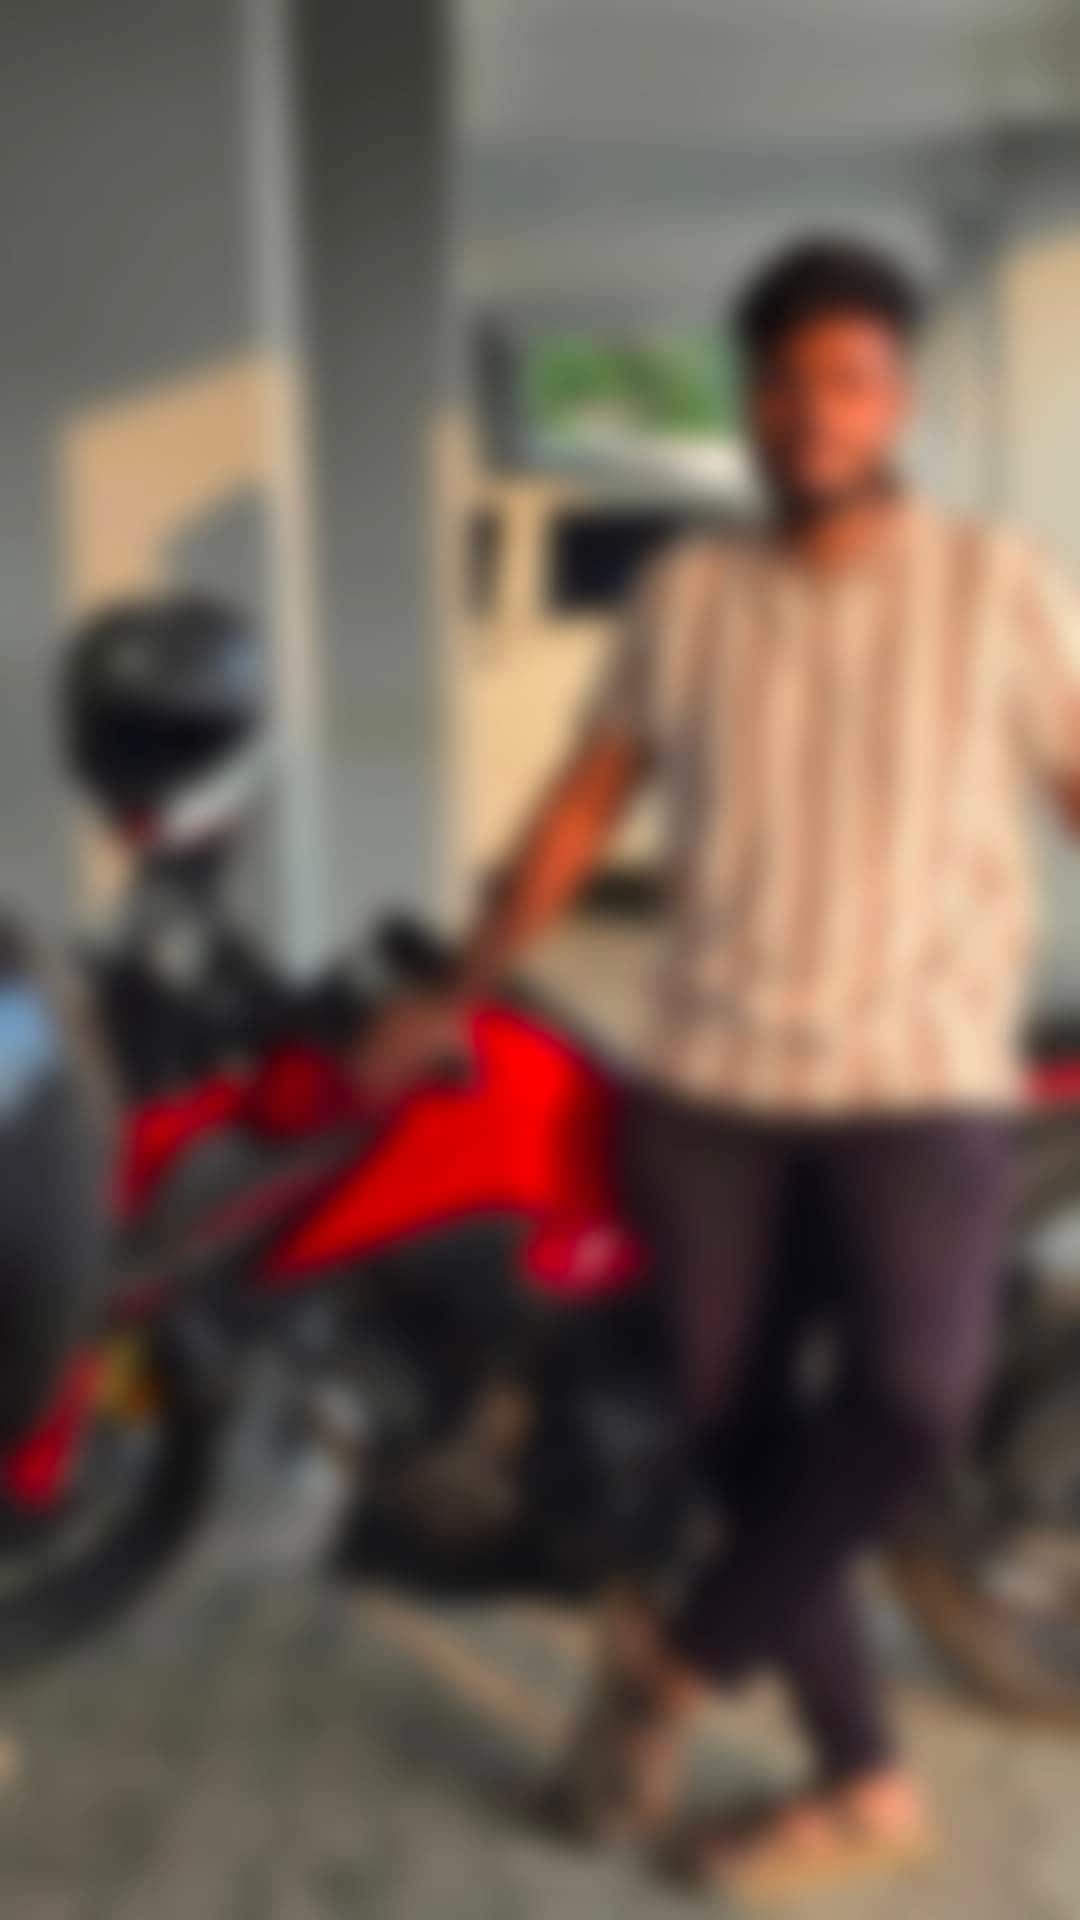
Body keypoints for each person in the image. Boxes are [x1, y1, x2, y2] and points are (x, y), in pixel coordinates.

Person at [358, 237, 1080, 1899]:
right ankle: (860, 1779)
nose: (815, 413)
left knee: (912, 1403)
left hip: (920, 1080)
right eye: (784, 381)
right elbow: (582, 806)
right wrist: (459, 987)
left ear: (897, 400)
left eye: (850, 381)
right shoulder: (685, 594)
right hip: (710, 1092)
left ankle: (672, 1668)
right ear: (748, 403)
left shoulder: (1000, 585)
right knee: (740, 1433)